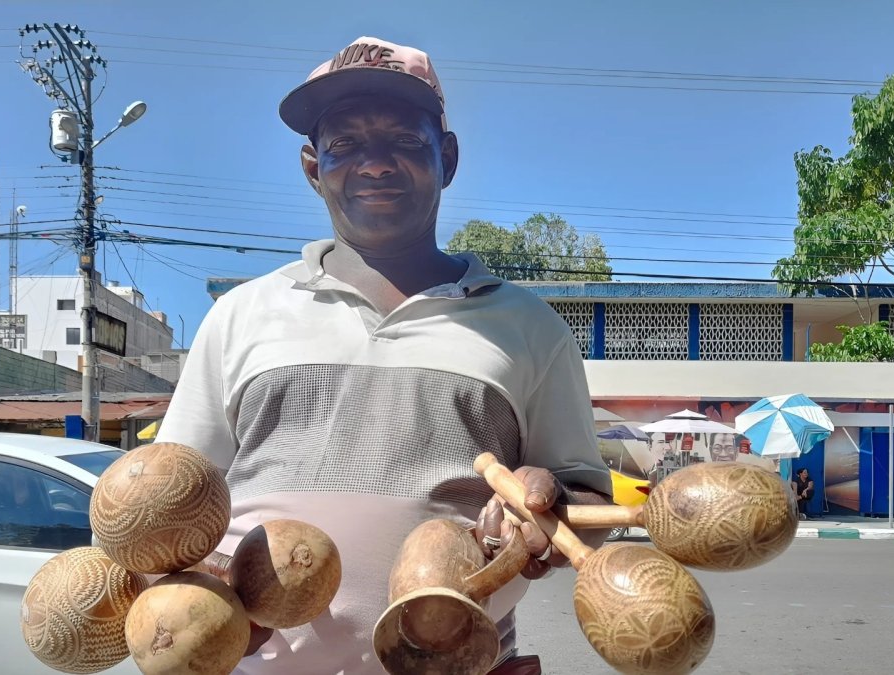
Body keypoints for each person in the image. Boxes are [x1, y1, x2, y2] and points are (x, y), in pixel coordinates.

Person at [155, 36, 612, 675]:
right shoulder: (241, 314)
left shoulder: (531, 329)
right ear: (313, 167)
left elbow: (588, 503)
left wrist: (551, 507)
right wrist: (198, 582)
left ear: (447, 158)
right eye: (345, 144)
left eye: (403, 139)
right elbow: (171, 502)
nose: (374, 165)